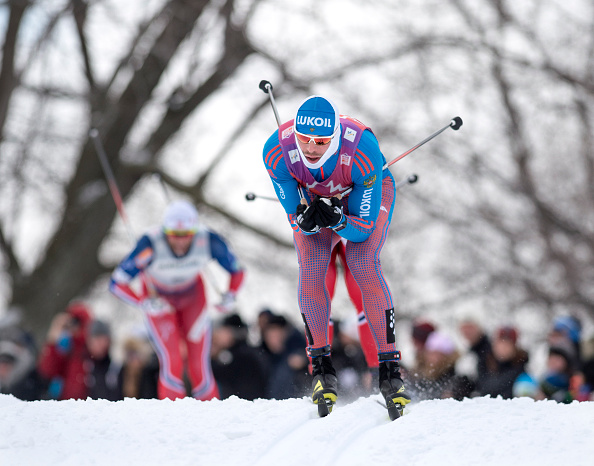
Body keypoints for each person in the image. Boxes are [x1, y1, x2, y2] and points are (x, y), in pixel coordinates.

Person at [262, 95, 410, 418]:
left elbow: (361, 228)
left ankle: (389, 369)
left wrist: (339, 219)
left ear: (335, 137)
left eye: (320, 141)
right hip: (318, 200)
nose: (311, 148)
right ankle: (321, 366)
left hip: (361, 201)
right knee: (312, 267)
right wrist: (303, 218)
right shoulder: (276, 152)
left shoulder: (362, 152)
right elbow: (293, 215)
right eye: (304, 140)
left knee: (361, 262)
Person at [110, 200, 245, 400]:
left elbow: (237, 270)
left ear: (194, 230)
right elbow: (117, 282)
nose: (180, 242)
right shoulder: (150, 244)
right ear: (165, 232)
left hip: (193, 299)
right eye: (174, 235)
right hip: (160, 302)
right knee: (172, 359)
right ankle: (172, 415)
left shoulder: (207, 240)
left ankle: (212, 413)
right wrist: (142, 302)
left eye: (186, 235)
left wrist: (231, 294)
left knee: (198, 363)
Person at [210, 313, 268, 400]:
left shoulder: (240, 355)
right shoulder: (248, 351)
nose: (218, 336)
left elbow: (215, 372)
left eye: (221, 331)